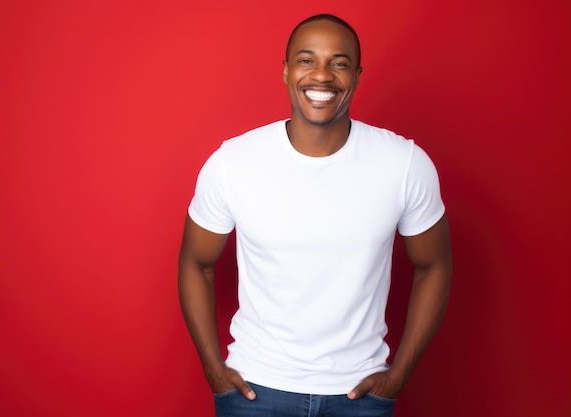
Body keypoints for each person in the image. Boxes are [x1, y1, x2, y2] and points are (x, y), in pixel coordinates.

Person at [178, 14, 452, 417]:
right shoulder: (233, 162)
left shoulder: (405, 163)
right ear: (286, 70)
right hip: (254, 391)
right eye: (307, 60)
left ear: (356, 75)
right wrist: (212, 368)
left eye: (338, 63)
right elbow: (195, 263)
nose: (321, 75)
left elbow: (435, 266)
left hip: (360, 395)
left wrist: (399, 376)